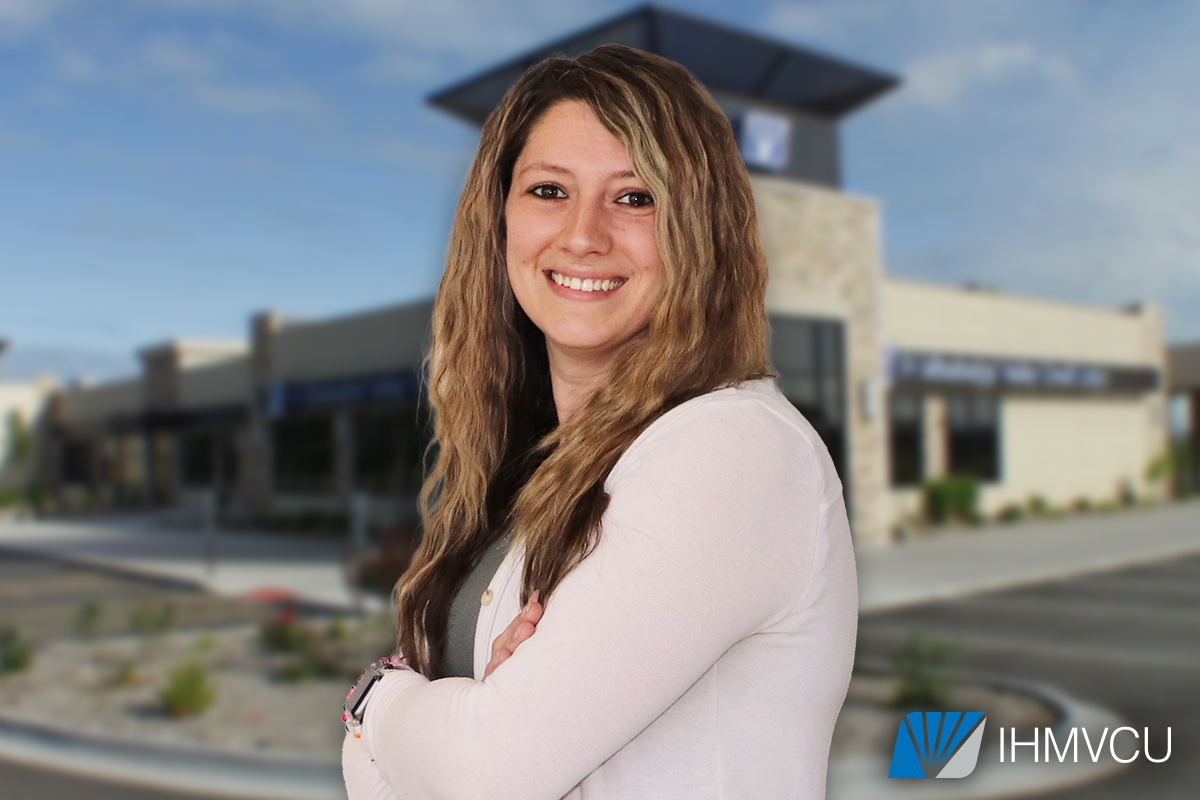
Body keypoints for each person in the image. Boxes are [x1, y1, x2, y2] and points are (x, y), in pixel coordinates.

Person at [342, 44, 857, 800]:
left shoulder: (732, 449)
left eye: (635, 197)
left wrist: (375, 701)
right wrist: (444, 726)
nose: (583, 235)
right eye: (549, 190)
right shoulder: (529, 474)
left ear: (700, 229)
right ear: (500, 217)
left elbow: (482, 772)